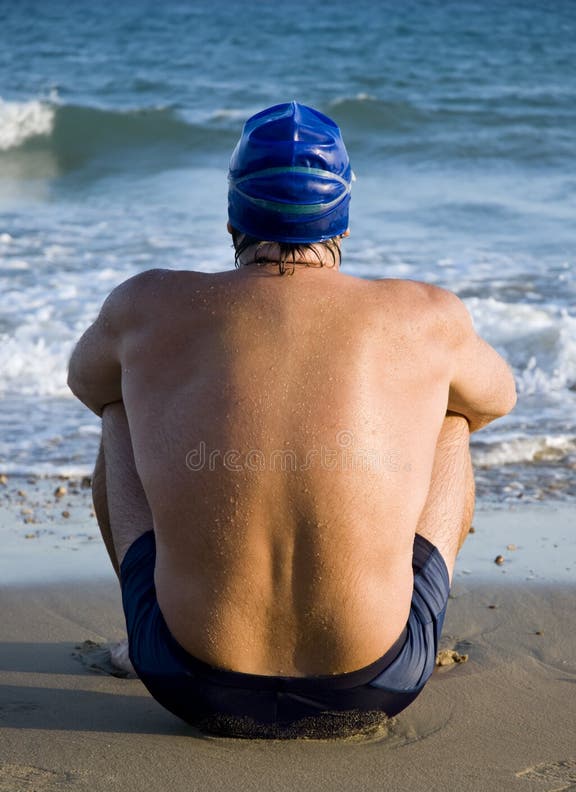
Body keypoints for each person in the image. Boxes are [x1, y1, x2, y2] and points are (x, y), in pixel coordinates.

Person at [68, 102, 516, 737]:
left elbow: (87, 384)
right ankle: (401, 608)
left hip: (183, 678)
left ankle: (143, 623)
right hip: (378, 680)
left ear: (232, 216)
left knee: (120, 406)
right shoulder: (425, 315)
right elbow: (498, 398)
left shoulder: (146, 302)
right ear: (345, 217)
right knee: (452, 412)